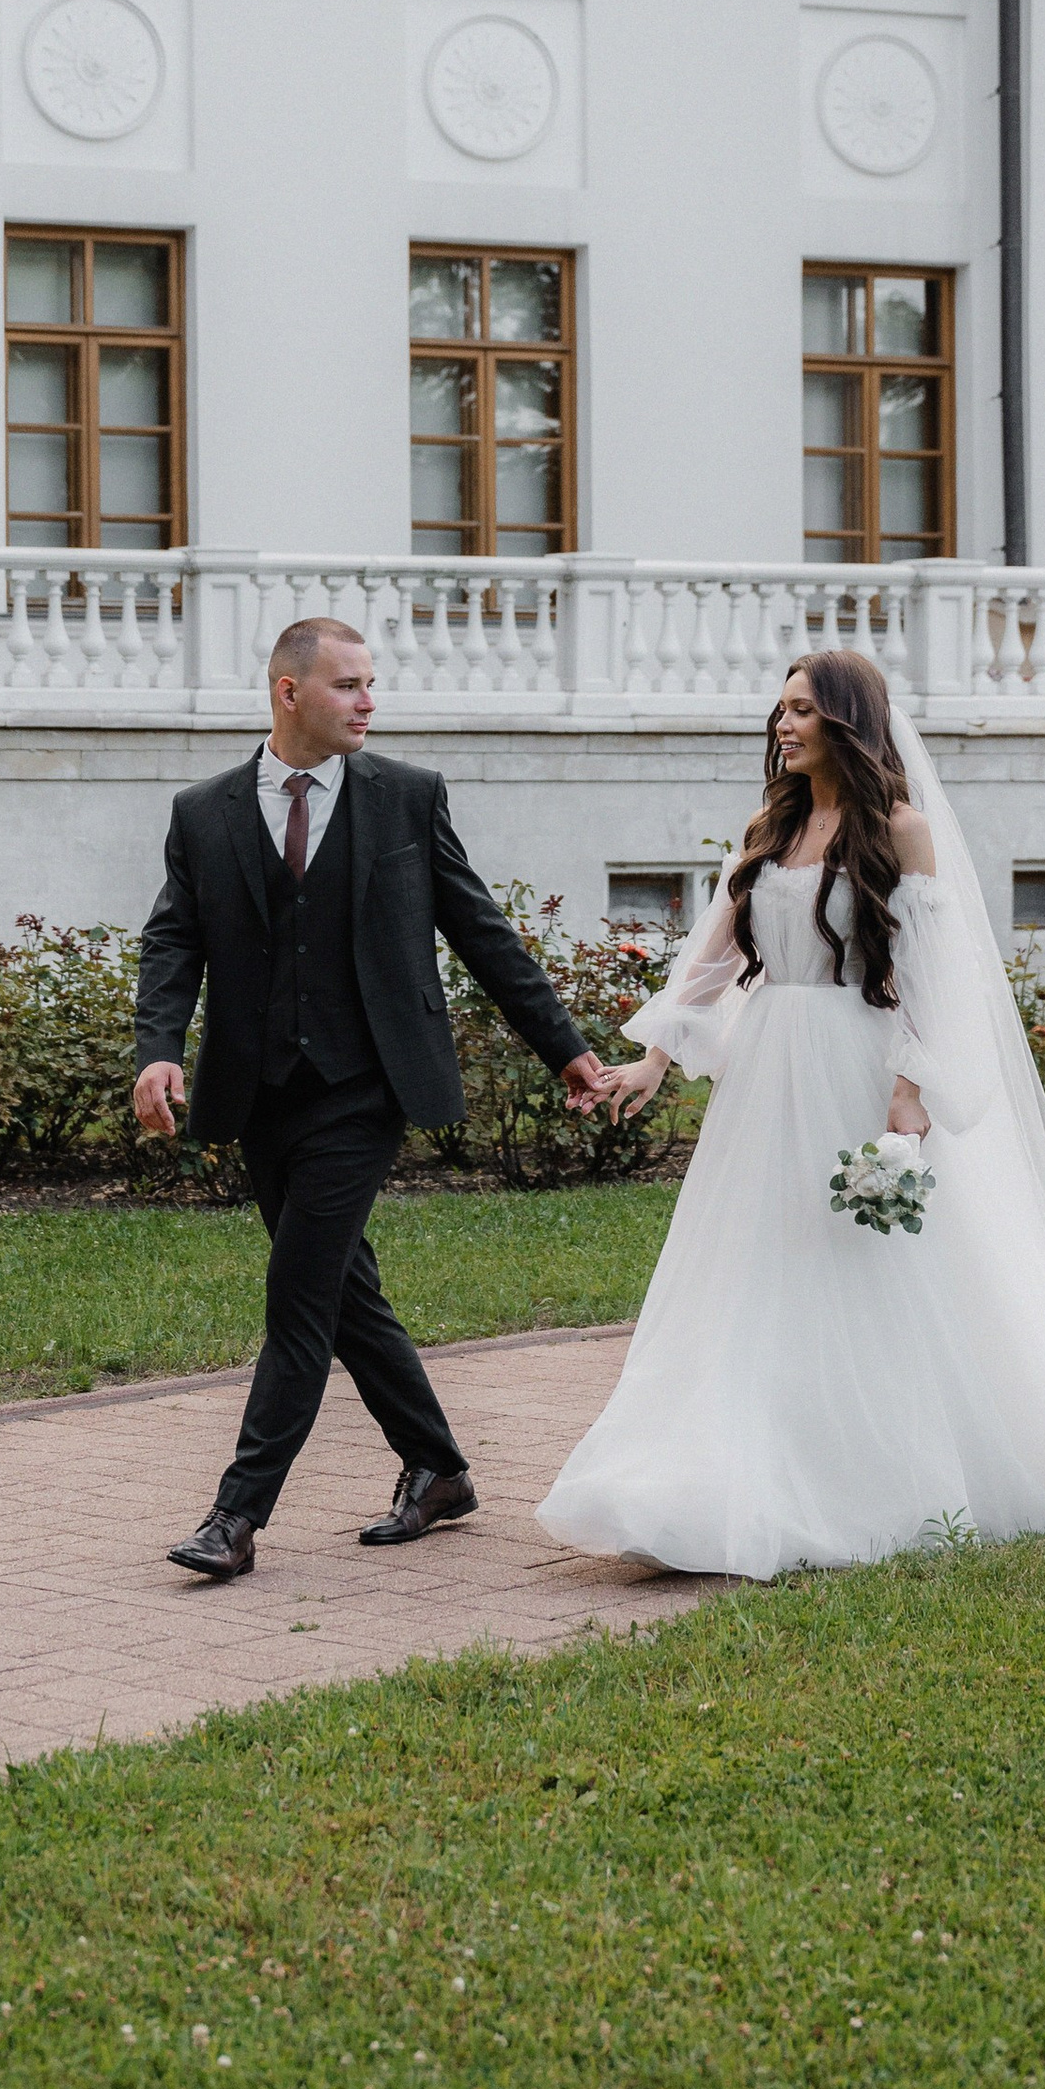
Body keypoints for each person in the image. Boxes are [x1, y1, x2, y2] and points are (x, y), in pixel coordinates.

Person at [539, 648, 1045, 1580]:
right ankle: (718, 1474)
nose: (785, 725)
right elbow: (714, 960)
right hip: (770, 1073)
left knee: (871, 1265)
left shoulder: (900, 831)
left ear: (848, 719)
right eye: (780, 710)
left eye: (804, 709)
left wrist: (909, 1096)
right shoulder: (770, 827)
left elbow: (933, 976)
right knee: (757, 1262)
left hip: (860, 1061)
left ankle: (880, 1470)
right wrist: (651, 1058)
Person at [133, 617, 606, 1580]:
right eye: (349, 684)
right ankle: (437, 1467)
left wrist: (567, 1051)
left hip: (367, 1086)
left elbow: (482, 934)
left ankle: (236, 1517)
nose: (368, 702)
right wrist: (158, 1051)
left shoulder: (407, 799)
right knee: (347, 1293)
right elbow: (173, 940)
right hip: (260, 1091)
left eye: (371, 684)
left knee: (300, 1293)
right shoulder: (203, 811)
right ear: (289, 692)